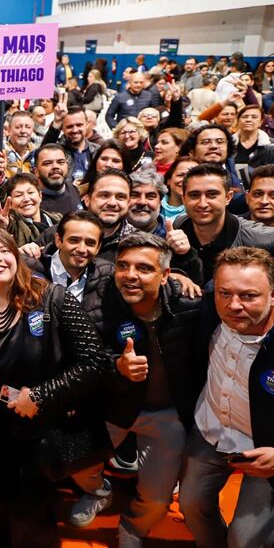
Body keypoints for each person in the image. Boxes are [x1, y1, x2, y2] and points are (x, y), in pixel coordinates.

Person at [0, 226, 111, 548]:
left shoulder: (53, 298)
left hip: (43, 430)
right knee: (1, 510)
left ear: (16, 257)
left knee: (33, 516)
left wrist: (42, 396)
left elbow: (95, 363)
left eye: (3, 251)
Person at [78, 233, 202, 546]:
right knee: (71, 461)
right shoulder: (97, 303)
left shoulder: (190, 303)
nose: (130, 275)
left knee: (158, 500)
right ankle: (99, 491)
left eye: (144, 268)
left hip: (167, 415)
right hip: (113, 409)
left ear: (165, 276)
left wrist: (189, 267)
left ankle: (133, 527)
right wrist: (115, 367)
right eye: (123, 265)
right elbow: (84, 358)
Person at [179, 247, 274, 548]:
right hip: (210, 430)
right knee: (191, 506)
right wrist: (179, 275)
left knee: (244, 540)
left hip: (264, 450)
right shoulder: (208, 308)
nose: (234, 305)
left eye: (249, 296)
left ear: (272, 295)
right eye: (225, 293)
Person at [175, 163, 274, 282]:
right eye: (194, 195)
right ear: (183, 199)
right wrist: (175, 274)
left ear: (228, 198)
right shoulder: (179, 226)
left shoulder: (262, 238)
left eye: (212, 195)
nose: (202, 203)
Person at [27, 210, 113, 302]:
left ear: (98, 247)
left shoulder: (107, 274)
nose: (82, 249)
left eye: (90, 243)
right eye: (74, 240)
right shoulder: (29, 269)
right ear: (58, 240)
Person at [42, 105, 99, 182]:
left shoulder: (98, 151)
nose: (75, 130)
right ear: (62, 128)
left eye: (79, 125)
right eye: (69, 126)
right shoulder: (57, 152)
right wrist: (56, 123)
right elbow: (43, 153)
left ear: (87, 125)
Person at [32, 144, 82, 215]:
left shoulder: (73, 189)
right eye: (47, 163)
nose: (55, 166)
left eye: (60, 162)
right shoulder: (32, 203)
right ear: (36, 172)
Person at [4, 111, 37, 176]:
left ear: (32, 130)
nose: (23, 131)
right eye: (18, 127)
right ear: (9, 130)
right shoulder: (0, 151)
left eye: (27, 127)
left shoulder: (37, 153)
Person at [161, 157, 194, 221]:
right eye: (181, 175)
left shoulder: (200, 211)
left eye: (191, 175)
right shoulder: (153, 204)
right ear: (168, 180)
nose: (185, 180)